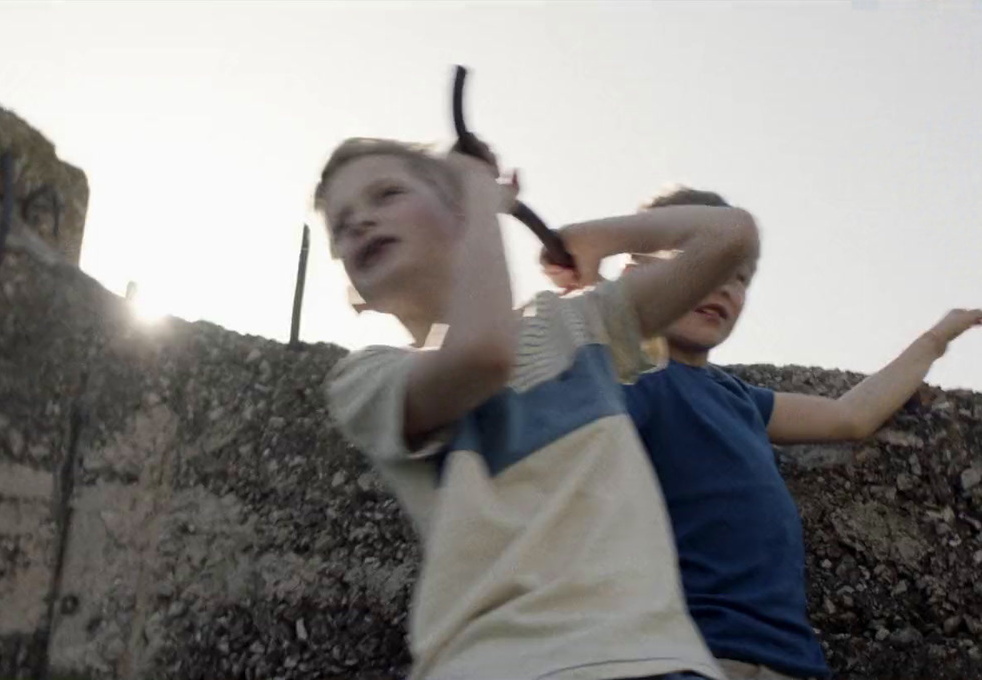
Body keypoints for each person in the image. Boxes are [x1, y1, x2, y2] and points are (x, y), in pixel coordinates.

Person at [316, 139, 761, 680]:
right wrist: (481, 195)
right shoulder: (366, 379)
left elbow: (730, 234)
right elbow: (482, 356)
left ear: (457, 218)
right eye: (341, 225)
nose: (360, 221)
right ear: (354, 289)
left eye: (386, 194)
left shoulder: (576, 324)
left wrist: (599, 236)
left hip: (657, 660)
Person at [548, 186, 982, 680]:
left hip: (792, 662)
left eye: (738, 278)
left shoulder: (741, 398)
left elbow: (849, 416)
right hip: (684, 657)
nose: (723, 288)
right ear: (635, 276)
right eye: (699, 267)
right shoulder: (631, 375)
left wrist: (934, 341)